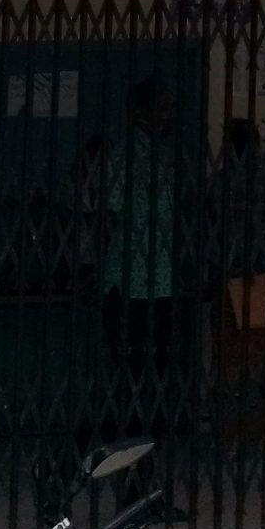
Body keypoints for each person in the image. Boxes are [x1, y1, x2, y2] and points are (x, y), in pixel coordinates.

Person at [99, 79, 195, 430]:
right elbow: (109, 209)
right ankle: (132, 434)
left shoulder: (166, 157)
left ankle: (145, 434)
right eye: (164, 107)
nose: (171, 115)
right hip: (133, 279)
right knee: (138, 365)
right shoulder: (124, 158)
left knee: (151, 365)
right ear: (140, 114)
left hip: (156, 277)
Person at [204, 118, 265, 450]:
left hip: (225, 282)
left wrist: (226, 264)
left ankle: (230, 438)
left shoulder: (215, 186)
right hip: (262, 283)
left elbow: (201, 237)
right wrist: (264, 262)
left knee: (228, 362)